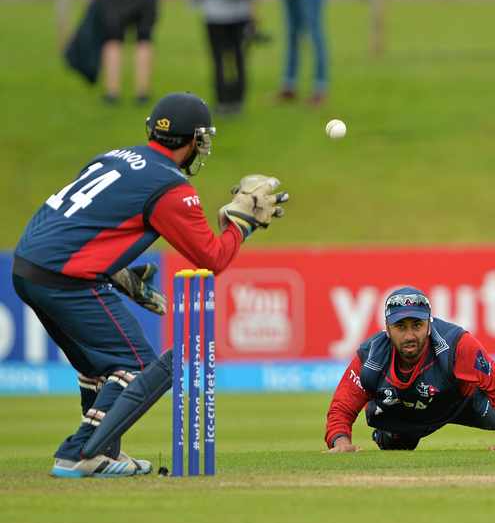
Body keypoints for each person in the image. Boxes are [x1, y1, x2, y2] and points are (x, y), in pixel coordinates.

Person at [11, 92, 289, 478]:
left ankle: (103, 452)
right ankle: (79, 453)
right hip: (66, 278)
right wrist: (242, 223)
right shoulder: (172, 188)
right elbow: (212, 258)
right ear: (194, 141)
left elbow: (81, 222)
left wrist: (116, 271)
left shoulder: (113, 156)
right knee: (137, 364)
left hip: (27, 266)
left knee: (99, 367)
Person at [325, 287, 495, 452]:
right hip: (409, 414)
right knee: (394, 447)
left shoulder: (457, 345)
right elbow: (341, 408)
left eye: (417, 326)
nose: (410, 336)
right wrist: (341, 443)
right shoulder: (370, 357)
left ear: (429, 324)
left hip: (462, 401)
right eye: (400, 327)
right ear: (387, 328)